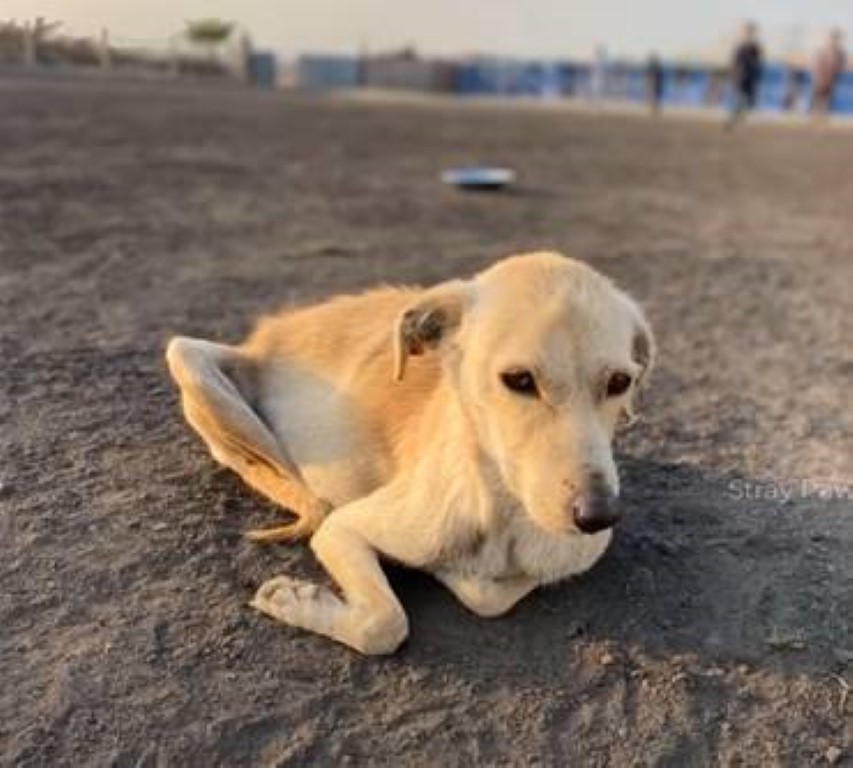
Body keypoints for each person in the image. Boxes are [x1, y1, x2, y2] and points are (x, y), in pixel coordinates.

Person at [727, 22, 764, 128]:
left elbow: (758, 63)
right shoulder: (741, 46)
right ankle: (734, 118)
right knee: (741, 98)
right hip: (742, 77)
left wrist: (757, 76)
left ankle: (738, 118)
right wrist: (735, 75)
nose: (750, 34)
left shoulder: (755, 47)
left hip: (750, 77)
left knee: (749, 100)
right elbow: (735, 63)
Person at [812, 29, 846, 118]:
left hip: (831, 78)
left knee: (827, 97)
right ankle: (816, 114)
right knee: (819, 96)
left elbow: (840, 65)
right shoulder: (824, 50)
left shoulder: (839, 52)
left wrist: (836, 70)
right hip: (821, 78)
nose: (835, 41)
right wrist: (819, 74)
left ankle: (823, 114)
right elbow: (817, 63)